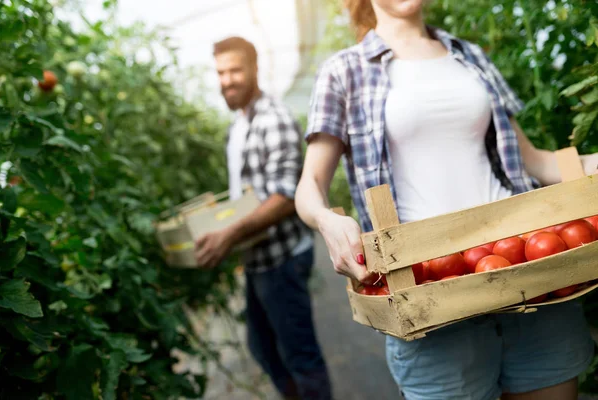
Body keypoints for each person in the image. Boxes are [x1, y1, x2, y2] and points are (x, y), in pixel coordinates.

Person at [295, 1, 598, 399]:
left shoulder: (468, 55)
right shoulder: (344, 71)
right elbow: (309, 186)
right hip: (431, 295)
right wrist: (327, 221)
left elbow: (534, 161)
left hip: (528, 272)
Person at [194, 36, 332, 400]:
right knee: (262, 346)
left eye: (235, 70)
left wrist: (228, 236)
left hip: (281, 257)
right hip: (257, 257)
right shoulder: (239, 126)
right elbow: (245, 194)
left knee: (300, 355)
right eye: (221, 72)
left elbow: (286, 197)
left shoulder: (274, 119)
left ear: (255, 69)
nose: (227, 79)